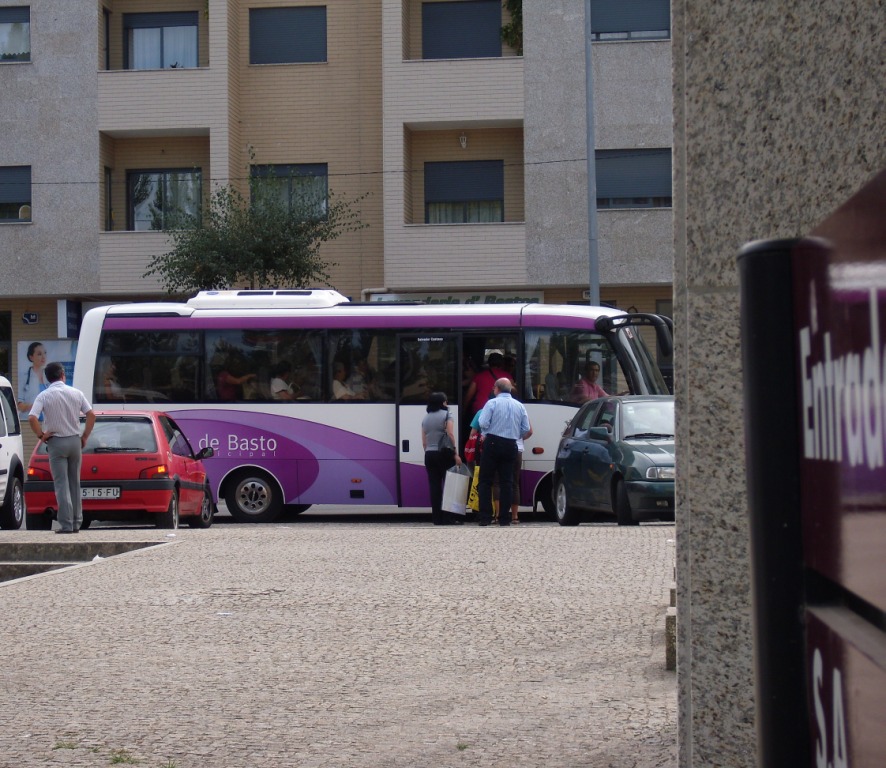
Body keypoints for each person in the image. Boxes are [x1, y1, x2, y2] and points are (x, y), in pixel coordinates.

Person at [27, 362, 95, 534]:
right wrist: (85, 435)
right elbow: (91, 414)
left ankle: (65, 524)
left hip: (56, 442)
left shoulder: (44, 395)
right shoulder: (76, 393)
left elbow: (32, 417)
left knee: (61, 484)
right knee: (75, 482)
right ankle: (77, 522)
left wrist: (41, 435)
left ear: (48, 379)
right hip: (74, 441)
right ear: (63, 375)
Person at [476, 378, 532, 527]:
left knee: (486, 480)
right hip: (511, 444)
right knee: (507, 481)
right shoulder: (519, 406)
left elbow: (483, 423)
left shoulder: (492, 403)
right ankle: (504, 519)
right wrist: (514, 434)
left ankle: (485, 517)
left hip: (493, 442)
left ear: (496, 389)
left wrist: (489, 431)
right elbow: (526, 428)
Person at [421, 391, 463, 525]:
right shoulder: (447, 415)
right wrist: (455, 453)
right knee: (449, 486)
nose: (447, 403)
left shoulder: (425, 418)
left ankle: (437, 519)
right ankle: (448, 518)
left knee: (434, 487)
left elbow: (424, 442)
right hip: (444, 454)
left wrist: (429, 452)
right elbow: (450, 434)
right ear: (442, 403)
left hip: (429, 454)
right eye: (445, 401)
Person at [465, 352, 513, 417]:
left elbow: (469, 396)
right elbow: (514, 392)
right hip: (500, 411)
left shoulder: (479, 376)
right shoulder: (507, 376)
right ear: (502, 363)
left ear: (489, 363)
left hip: (480, 410)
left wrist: (463, 410)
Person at [17, 341, 48, 414]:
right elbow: (20, 405)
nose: (43, 357)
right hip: (31, 418)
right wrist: (35, 406)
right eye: (39, 354)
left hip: (47, 420)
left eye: (45, 353)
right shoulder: (24, 378)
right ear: (31, 357)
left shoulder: (49, 376)